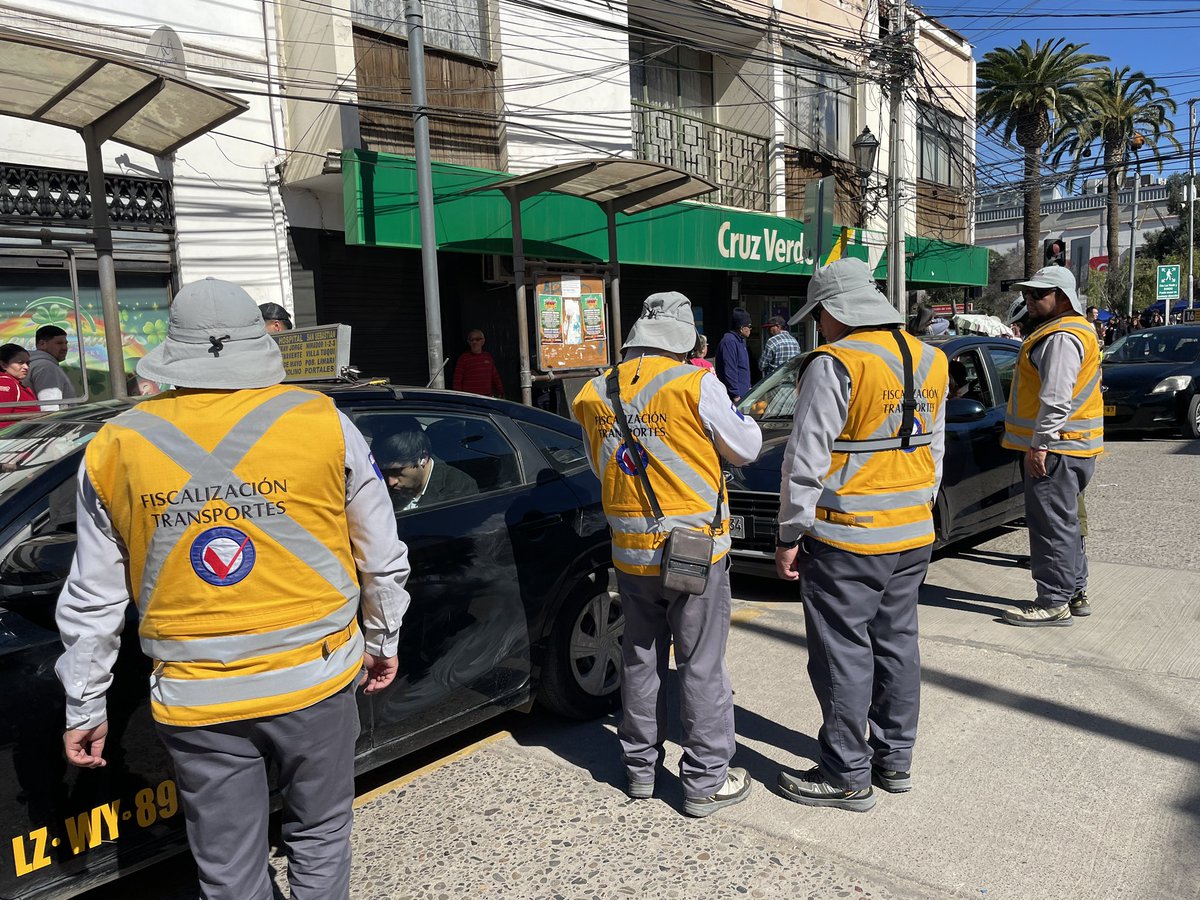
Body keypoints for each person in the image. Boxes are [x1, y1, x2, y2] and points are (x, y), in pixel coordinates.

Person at [55, 278, 412, 900]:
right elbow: (379, 552)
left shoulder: (115, 444)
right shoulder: (324, 422)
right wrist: (384, 637)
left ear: (174, 354)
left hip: (197, 698)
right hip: (316, 678)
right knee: (321, 834)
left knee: (226, 867)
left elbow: (94, 593)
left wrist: (85, 704)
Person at [572, 291, 762, 818]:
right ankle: (705, 780)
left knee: (640, 657)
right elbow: (744, 448)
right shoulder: (694, 383)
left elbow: (600, 468)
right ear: (681, 340)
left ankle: (638, 770)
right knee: (700, 663)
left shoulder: (593, 392)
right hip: (693, 551)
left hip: (630, 553)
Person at [773, 258, 948, 812]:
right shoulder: (930, 359)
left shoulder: (835, 363)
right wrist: (917, 504)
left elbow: (805, 458)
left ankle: (847, 773)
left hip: (848, 536)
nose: (816, 327)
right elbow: (933, 452)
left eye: (816, 316)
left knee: (841, 652)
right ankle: (894, 761)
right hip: (912, 533)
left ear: (832, 311)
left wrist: (788, 533)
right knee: (897, 644)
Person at [1000, 266, 1102, 626]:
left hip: (1056, 449)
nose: (1029, 299)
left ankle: (1053, 602)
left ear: (1062, 298)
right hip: (1073, 447)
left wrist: (1040, 445)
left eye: (1038, 294)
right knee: (1066, 523)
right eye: (1027, 293)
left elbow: (1056, 399)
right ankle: (1073, 591)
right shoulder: (1072, 332)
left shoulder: (1060, 336)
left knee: (1050, 526)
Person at [374, 419, 477, 511]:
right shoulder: (380, 485)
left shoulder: (458, 487)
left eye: (397, 471)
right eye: (384, 472)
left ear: (423, 458)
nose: (391, 482)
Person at [25, 325, 76, 409]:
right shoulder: (46, 367)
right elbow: (50, 407)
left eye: (66, 343)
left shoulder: (34, 363)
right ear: (42, 344)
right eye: (59, 343)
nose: (64, 348)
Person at [714, 308, 752, 403]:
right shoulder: (729, 342)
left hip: (743, 394)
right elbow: (730, 370)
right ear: (742, 327)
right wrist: (735, 395)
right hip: (734, 398)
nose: (751, 329)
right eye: (749, 326)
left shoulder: (740, 341)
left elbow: (743, 368)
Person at [452, 329, 504, 398]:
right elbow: (457, 381)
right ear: (468, 342)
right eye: (471, 340)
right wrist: (459, 398)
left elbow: (495, 377)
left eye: (477, 339)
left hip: (487, 398)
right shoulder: (463, 359)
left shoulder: (488, 357)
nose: (474, 342)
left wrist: (501, 392)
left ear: (483, 341)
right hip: (470, 399)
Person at [0, 344, 36, 427]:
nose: (26, 367)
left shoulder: (13, 383)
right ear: (3, 365)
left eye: (27, 363)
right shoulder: (5, 383)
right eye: (20, 363)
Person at [759, 315, 801, 380]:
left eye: (770, 327)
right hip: (792, 381)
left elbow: (762, 365)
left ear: (778, 326)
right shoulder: (794, 340)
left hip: (776, 382)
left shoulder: (772, 341)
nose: (768, 330)